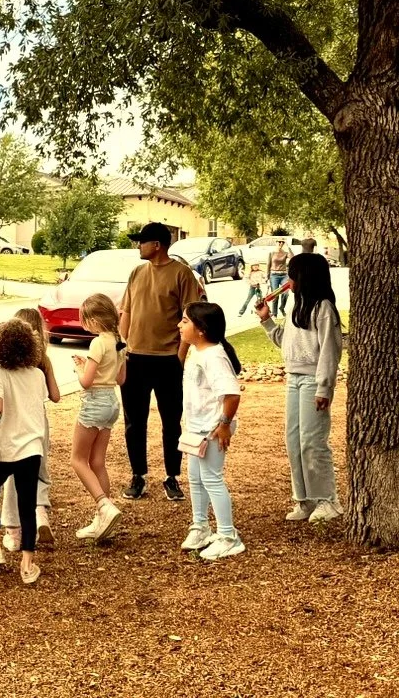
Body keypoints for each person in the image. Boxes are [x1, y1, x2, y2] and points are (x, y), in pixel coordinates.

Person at [256, 254, 344, 523]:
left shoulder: (324, 308)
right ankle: (305, 500)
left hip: (313, 382)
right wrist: (267, 320)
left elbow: (330, 351)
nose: (288, 280)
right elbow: (287, 343)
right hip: (293, 380)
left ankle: (328, 501)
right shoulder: (297, 304)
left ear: (304, 277)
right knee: (293, 441)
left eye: (293, 274)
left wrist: (324, 388)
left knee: (312, 442)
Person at [120, 222, 202, 500]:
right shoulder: (136, 273)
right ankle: (138, 476)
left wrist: (179, 356)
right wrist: (123, 346)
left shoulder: (182, 274)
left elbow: (190, 317)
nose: (138, 246)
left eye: (141, 242)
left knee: (171, 421)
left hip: (168, 360)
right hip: (135, 359)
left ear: (157, 245)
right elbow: (127, 311)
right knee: (134, 421)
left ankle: (172, 477)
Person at [0, 319, 47, 584]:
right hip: (32, 446)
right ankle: (27, 563)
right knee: (27, 504)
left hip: (5, 447)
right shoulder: (37, 374)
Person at [178, 302, 246, 560]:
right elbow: (180, 357)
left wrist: (224, 424)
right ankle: (201, 527)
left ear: (202, 329)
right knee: (195, 478)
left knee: (212, 479)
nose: (179, 325)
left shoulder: (215, 357)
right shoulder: (198, 351)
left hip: (212, 429)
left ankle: (229, 536)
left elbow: (231, 394)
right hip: (196, 428)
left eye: (185, 321)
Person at [0, 308, 61, 549]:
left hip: (12, 422)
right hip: (38, 422)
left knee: (13, 476)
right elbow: (55, 396)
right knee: (38, 470)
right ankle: (40, 513)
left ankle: (14, 533)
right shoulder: (42, 361)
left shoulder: (3, 365)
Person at [70, 294, 127, 541]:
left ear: (93, 320)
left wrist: (79, 367)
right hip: (112, 403)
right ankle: (101, 518)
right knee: (97, 462)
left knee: (78, 460)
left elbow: (85, 382)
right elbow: (121, 379)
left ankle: (104, 505)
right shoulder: (119, 341)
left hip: (95, 403)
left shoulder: (98, 343)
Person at [267, 239, 293, 318]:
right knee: (275, 295)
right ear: (276, 242)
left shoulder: (285, 253)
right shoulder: (271, 253)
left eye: (282, 242)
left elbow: (293, 258)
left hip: (284, 275)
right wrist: (267, 276)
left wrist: (288, 247)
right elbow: (268, 264)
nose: (281, 243)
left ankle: (282, 307)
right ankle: (275, 314)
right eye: (279, 242)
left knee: (286, 293)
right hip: (274, 275)